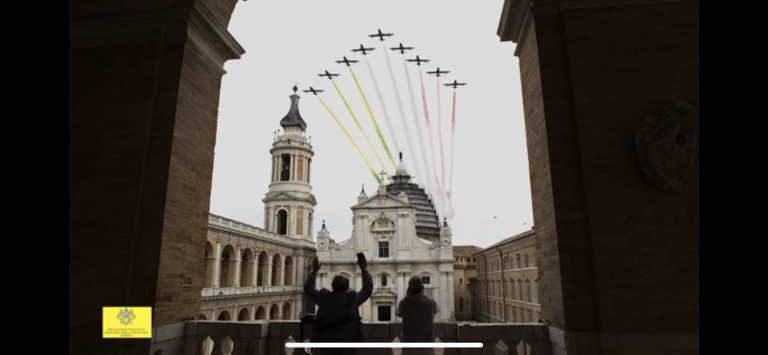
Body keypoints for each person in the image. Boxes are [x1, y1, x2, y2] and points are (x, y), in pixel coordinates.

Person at [304, 256, 373, 355]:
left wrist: (314, 271)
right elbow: (367, 289)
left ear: (332, 285)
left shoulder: (324, 297)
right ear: (348, 287)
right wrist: (364, 270)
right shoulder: (352, 298)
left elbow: (308, 288)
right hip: (348, 342)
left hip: (326, 342)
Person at [396, 276, 438, 355]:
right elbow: (435, 311)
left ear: (409, 288)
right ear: (422, 288)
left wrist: (407, 296)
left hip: (408, 348)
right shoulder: (431, 303)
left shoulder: (404, 303)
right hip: (427, 349)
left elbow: (398, 313)